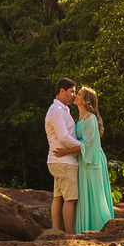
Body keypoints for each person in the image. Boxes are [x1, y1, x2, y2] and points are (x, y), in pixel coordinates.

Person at [55, 86, 114, 233]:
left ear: (86, 100)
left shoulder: (90, 118)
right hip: (83, 159)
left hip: (91, 160)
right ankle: (83, 228)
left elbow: (88, 145)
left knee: (93, 192)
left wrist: (65, 152)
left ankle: (97, 227)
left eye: (79, 94)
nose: (75, 96)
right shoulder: (80, 118)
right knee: (82, 194)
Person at [44, 77, 80, 233]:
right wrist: (84, 147)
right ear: (62, 91)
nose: (74, 95)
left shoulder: (62, 110)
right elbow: (63, 136)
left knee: (58, 197)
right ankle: (70, 234)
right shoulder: (57, 111)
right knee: (70, 199)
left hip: (58, 160)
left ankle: (56, 231)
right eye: (72, 92)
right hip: (64, 161)